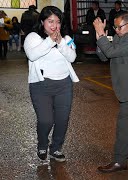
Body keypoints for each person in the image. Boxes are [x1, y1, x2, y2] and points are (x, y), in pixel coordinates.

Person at [93, 12, 128, 173]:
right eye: (114, 27)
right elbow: (104, 56)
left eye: (119, 27)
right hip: (124, 87)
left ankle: (119, 161)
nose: (116, 30)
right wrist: (99, 38)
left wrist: (102, 35)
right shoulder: (120, 36)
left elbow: (110, 52)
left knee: (124, 124)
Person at [24, 6, 79, 162]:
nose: (55, 25)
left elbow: (72, 57)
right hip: (41, 86)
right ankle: (42, 144)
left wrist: (60, 42)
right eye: (50, 21)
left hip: (64, 86)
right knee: (46, 120)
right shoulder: (33, 37)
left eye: (58, 21)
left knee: (62, 120)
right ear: (42, 22)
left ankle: (56, 149)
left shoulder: (66, 39)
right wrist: (50, 40)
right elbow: (33, 55)